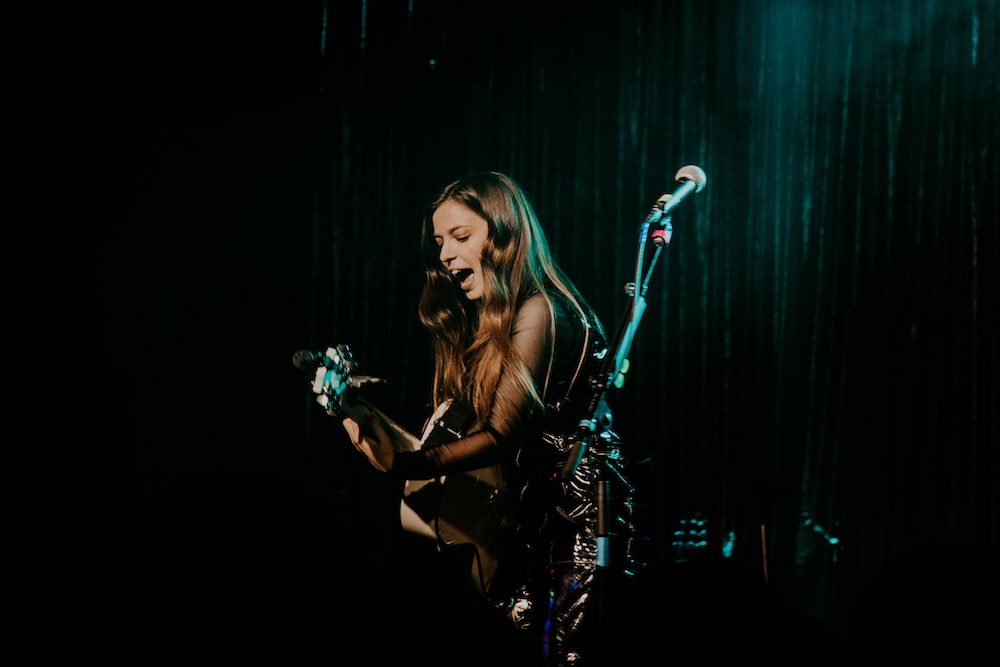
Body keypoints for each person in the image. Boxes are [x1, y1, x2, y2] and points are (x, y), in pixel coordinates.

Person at [334, 171, 644, 666]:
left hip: (576, 531)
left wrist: (405, 464)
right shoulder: (501, 320)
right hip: (531, 528)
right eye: (439, 242)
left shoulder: (541, 310)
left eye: (461, 236)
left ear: (504, 234)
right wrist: (378, 431)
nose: (445, 254)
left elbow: (501, 435)